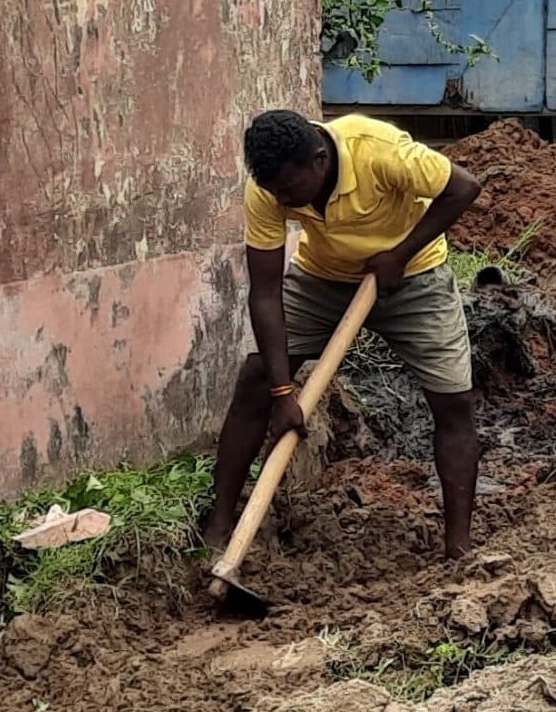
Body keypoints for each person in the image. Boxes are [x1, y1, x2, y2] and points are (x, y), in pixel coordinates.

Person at [207, 110, 484, 558]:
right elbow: (264, 294)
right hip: (322, 278)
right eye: (276, 191)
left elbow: (464, 187)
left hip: (413, 274)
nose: (284, 199)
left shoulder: (379, 151)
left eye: (291, 190)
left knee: (452, 401)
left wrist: (400, 254)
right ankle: (218, 528)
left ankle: (458, 550)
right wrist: (282, 393)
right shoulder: (267, 189)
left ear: (320, 160)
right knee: (256, 377)